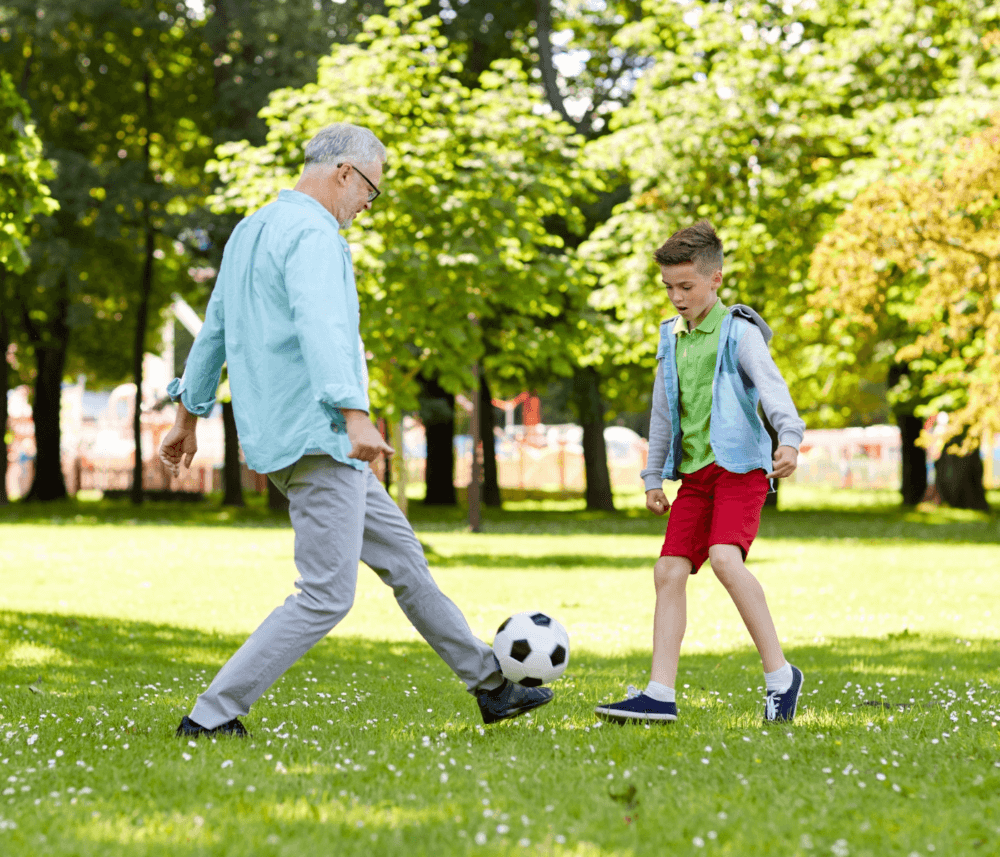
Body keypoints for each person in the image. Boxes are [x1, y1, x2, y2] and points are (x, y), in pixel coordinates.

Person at [159, 123, 552, 737]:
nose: (368, 206)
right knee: (325, 595)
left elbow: (214, 331)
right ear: (344, 172)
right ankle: (211, 716)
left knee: (405, 564)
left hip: (288, 434)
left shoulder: (250, 230)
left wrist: (188, 415)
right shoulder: (314, 234)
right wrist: (354, 415)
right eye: (371, 190)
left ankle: (490, 685)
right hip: (320, 434)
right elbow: (324, 328)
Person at [594, 220, 805, 724]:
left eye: (685, 286)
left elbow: (774, 390)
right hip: (696, 476)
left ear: (715, 279)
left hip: (739, 470)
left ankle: (781, 677)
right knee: (668, 571)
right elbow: (664, 411)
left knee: (725, 559)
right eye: (668, 287)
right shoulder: (672, 338)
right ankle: (659, 694)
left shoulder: (739, 331)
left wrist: (790, 440)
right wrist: (651, 477)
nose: (675, 297)